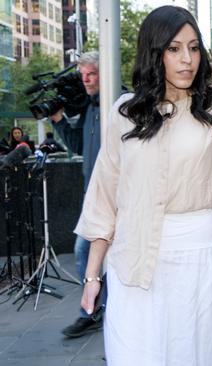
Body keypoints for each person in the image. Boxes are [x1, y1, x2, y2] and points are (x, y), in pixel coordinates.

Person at [76, 6, 212, 365]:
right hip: (134, 268)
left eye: (194, 48)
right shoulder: (124, 112)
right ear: (153, 51)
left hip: (201, 267)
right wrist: (91, 276)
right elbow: (104, 198)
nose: (187, 59)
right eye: (174, 49)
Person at [49, 51, 106, 338]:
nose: (86, 80)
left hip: (115, 195)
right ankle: (92, 310)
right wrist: (58, 119)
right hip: (91, 195)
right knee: (84, 249)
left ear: (104, 72)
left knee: (98, 251)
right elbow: (80, 146)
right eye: (83, 75)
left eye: (91, 74)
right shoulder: (89, 107)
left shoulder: (117, 100)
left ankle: (96, 309)